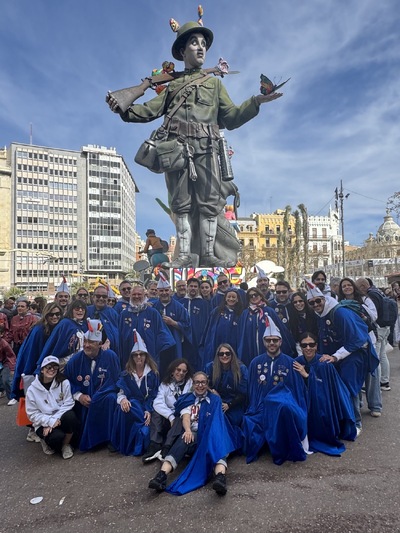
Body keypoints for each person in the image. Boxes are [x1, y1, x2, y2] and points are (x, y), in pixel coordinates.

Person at [108, 20, 282, 268]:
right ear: (182, 51)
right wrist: (123, 108)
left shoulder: (214, 84)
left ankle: (209, 254)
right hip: (176, 151)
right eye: (194, 43)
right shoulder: (173, 86)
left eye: (203, 44)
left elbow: (231, 118)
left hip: (208, 149)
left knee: (209, 204)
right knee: (180, 205)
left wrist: (256, 102)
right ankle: (183, 256)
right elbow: (148, 110)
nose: (201, 48)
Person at [305, 280, 379, 436]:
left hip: (356, 352)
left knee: (348, 384)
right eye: (312, 302)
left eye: (318, 301)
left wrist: (335, 356)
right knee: (335, 383)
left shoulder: (340, 313)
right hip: (340, 353)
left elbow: (357, 339)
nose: (316, 304)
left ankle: (355, 423)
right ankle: (342, 418)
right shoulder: (321, 315)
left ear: (324, 299)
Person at [148, 371, 235, 496]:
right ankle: (161, 475)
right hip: (195, 434)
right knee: (185, 438)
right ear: (193, 384)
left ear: (207, 384)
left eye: (203, 382)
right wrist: (188, 430)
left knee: (217, 442)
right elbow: (186, 417)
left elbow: (217, 421)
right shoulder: (187, 399)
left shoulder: (214, 400)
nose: (200, 385)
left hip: (210, 434)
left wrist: (211, 436)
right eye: (197, 382)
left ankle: (220, 477)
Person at [242, 319, 308, 465]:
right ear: (264, 342)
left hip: (280, 408)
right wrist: (253, 406)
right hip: (260, 406)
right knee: (250, 419)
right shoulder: (255, 363)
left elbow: (296, 391)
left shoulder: (291, 363)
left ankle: (281, 449)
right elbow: (251, 389)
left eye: (275, 340)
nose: (271, 343)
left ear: (280, 341)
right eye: (268, 340)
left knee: (284, 413)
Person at [293, 332, 356, 455]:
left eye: (311, 345)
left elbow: (325, 389)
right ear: (300, 347)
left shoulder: (324, 363)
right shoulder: (297, 362)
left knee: (321, 406)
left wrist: (307, 376)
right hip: (302, 399)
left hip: (322, 399)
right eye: (304, 345)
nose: (308, 348)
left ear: (316, 346)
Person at [64, 319, 120, 452]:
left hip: (103, 397)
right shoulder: (75, 360)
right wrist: (79, 395)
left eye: (91, 342)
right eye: (85, 341)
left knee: (112, 399)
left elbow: (117, 379)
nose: (87, 345)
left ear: (100, 344)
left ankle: (109, 438)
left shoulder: (110, 356)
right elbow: (66, 382)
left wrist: (101, 394)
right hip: (84, 400)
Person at [111, 330, 159, 456]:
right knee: (126, 405)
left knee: (145, 432)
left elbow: (154, 395)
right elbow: (120, 391)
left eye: (141, 354)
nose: (139, 357)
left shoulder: (153, 374)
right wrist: (123, 399)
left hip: (146, 407)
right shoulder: (126, 374)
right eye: (135, 355)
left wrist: (148, 410)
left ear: (146, 356)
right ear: (132, 357)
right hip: (132, 407)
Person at [25, 356, 80, 459]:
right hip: (43, 422)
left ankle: (66, 445)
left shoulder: (64, 383)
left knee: (71, 417)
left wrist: (54, 420)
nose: (52, 369)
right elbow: (32, 414)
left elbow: (68, 403)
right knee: (56, 439)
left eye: (55, 367)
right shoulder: (32, 390)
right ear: (42, 370)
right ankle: (46, 441)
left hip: (59, 418)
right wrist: (49, 421)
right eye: (48, 367)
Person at [142, 358, 193, 463]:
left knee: (180, 417)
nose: (181, 373)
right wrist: (170, 416)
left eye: (184, 371)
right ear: (173, 370)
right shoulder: (165, 384)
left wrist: (175, 416)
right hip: (168, 419)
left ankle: (167, 447)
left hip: (182, 417)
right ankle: (155, 444)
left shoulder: (190, 384)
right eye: (178, 370)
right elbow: (157, 402)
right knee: (156, 412)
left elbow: (189, 404)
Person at [11, 302, 63, 403]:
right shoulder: (39, 330)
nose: (55, 317)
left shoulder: (58, 328)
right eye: (51, 314)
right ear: (46, 315)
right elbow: (31, 353)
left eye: (57, 314)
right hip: (37, 366)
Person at [118, 284, 175, 369]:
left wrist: (157, 348)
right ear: (130, 296)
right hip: (129, 353)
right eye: (134, 294)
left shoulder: (153, 313)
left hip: (149, 354)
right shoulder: (124, 314)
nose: (136, 296)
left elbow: (161, 332)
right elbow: (119, 333)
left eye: (139, 294)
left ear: (144, 296)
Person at [237, 287, 296, 366]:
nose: (253, 297)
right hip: (251, 347)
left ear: (260, 296)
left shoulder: (269, 311)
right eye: (250, 296)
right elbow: (241, 334)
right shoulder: (245, 314)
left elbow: (281, 329)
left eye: (255, 294)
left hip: (268, 346)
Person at [205, 343, 247, 447]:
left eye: (227, 353)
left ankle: (228, 445)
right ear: (217, 355)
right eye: (221, 354)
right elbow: (205, 384)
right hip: (216, 401)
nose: (224, 356)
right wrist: (212, 391)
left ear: (232, 354)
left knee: (229, 419)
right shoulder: (210, 367)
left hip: (234, 403)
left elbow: (244, 392)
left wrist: (229, 404)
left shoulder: (241, 369)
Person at [152, 275, 192, 375]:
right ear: (157, 292)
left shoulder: (179, 307)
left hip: (175, 344)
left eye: (166, 290)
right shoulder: (153, 307)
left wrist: (173, 323)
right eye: (161, 291)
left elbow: (187, 325)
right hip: (158, 345)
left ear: (170, 291)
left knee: (174, 367)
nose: (164, 293)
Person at [36, 300, 88, 371]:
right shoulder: (65, 323)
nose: (80, 311)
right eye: (77, 309)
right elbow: (57, 344)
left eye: (83, 309)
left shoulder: (83, 325)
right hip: (63, 363)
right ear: (71, 310)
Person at [201, 289, 243, 366]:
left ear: (237, 299)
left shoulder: (240, 314)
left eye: (233, 297)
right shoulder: (216, 311)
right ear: (225, 298)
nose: (231, 299)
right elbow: (209, 329)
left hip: (233, 347)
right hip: (216, 345)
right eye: (229, 297)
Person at [181, 277, 211, 371]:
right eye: (191, 286)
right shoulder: (181, 303)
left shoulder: (204, 304)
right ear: (187, 287)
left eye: (195, 286)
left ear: (198, 288)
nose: (193, 288)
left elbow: (208, 322)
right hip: (184, 339)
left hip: (198, 339)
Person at [87, 284, 119, 353]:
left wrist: (109, 340)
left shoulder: (113, 313)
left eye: (104, 296)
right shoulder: (87, 311)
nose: (101, 298)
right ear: (93, 297)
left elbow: (116, 333)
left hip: (107, 351)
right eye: (98, 296)